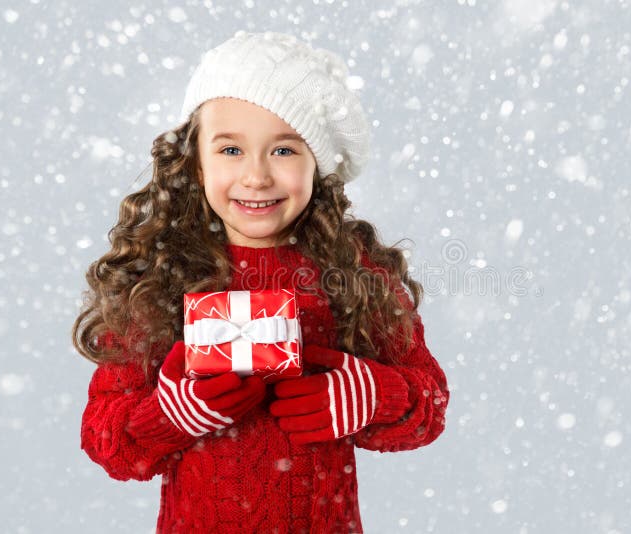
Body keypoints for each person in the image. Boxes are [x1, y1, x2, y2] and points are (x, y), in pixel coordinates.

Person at [72, 30, 449, 533]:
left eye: (284, 151)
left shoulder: (352, 272)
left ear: (318, 163)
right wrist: (167, 415)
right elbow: (106, 440)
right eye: (230, 150)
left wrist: (374, 396)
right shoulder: (162, 277)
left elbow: (429, 404)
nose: (256, 176)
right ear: (195, 160)